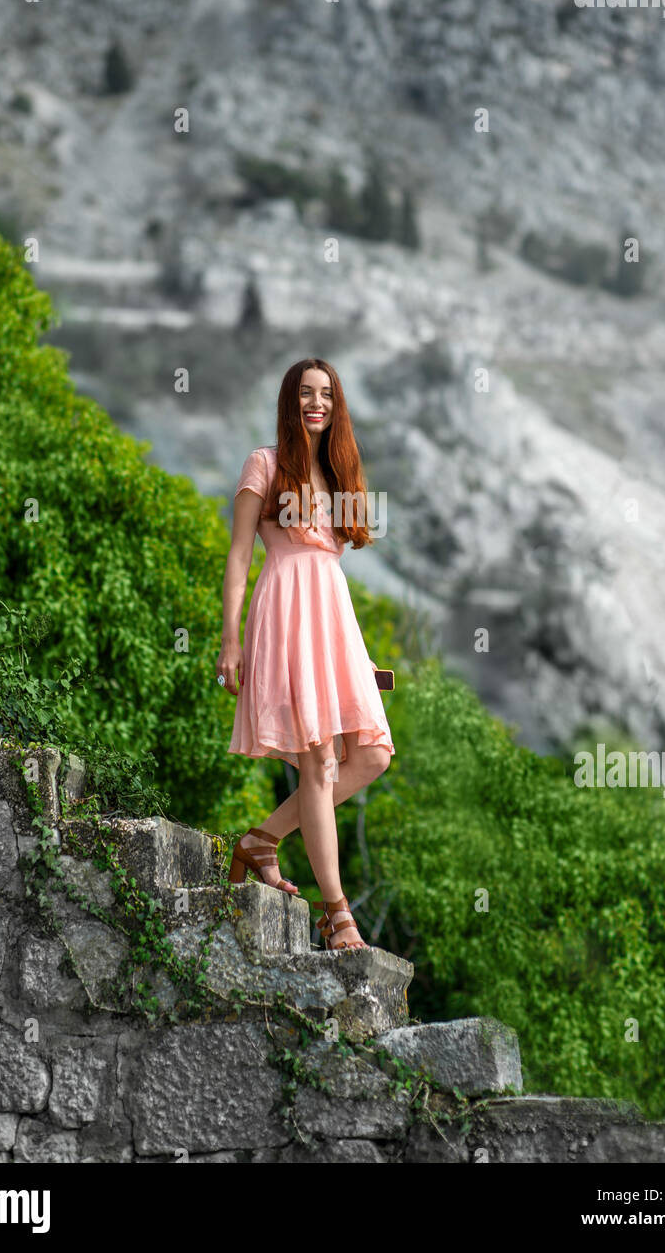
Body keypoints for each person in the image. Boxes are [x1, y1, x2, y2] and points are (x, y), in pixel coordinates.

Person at [216, 357, 394, 951]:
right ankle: (337, 913)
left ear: (336, 405)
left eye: (326, 394)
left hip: (333, 622)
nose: (316, 403)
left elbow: (332, 577)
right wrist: (230, 638)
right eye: (305, 393)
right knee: (318, 762)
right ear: (289, 400)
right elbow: (240, 555)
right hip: (284, 613)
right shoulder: (264, 464)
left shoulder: (340, 474)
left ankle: (261, 839)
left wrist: (358, 656)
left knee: (371, 757)